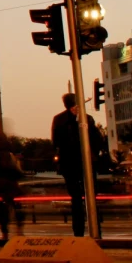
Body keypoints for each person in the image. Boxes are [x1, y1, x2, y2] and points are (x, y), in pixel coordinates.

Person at [51, 92, 106, 237]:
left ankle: (86, 230)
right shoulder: (74, 119)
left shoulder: (65, 119)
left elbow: (56, 142)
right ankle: (88, 230)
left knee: (82, 198)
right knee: (84, 197)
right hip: (78, 163)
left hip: (77, 163)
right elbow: (96, 139)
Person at [0, 120, 24, 239]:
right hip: (11, 177)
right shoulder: (7, 143)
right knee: (17, 204)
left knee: (1, 207)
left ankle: (5, 232)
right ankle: (19, 229)